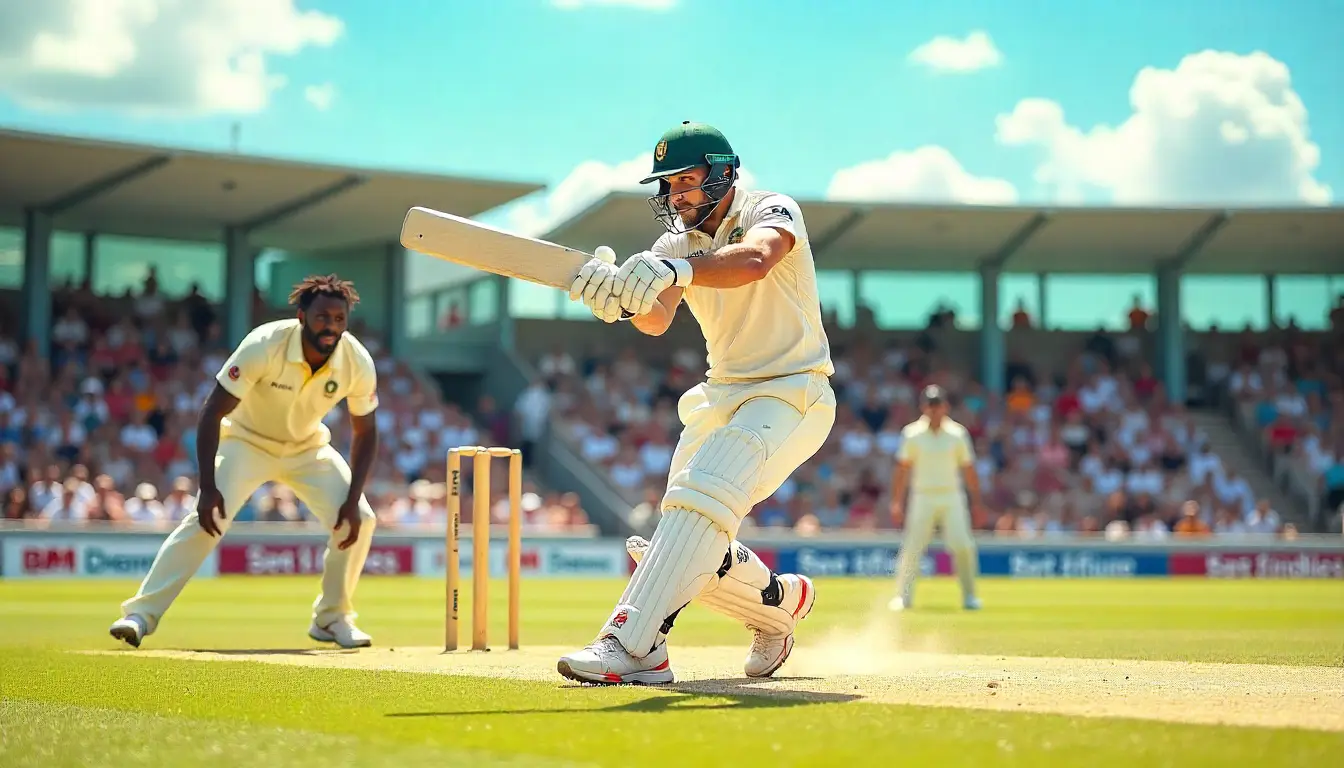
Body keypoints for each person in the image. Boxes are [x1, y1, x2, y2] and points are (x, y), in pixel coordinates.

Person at [560, 121, 836, 684]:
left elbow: (756, 259)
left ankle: (633, 646)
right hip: (720, 395)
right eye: (669, 184)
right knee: (686, 533)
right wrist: (613, 299)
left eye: (687, 179)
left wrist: (676, 269)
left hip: (793, 389)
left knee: (698, 505)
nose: (677, 195)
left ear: (724, 171)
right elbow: (657, 318)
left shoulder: (771, 208)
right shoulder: (674, 245)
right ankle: (777, 604)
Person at [108, 275, 381, 649]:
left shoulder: (356, 360)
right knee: (208, 520)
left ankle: (332, 618)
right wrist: (207, 487)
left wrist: (351, 500)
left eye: (338, 319)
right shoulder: (265, 343)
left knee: (361, 519)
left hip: (307, 448)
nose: (330, 326)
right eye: (321, 317)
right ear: (302, 316)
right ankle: (140, 615)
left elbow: (366, 433)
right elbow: (211, 412)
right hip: (247, 443)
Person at [888, 385, 985, 611]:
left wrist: (977, 503)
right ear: (923, 407)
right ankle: (903, 597)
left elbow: (968, 469)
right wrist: (896, 502)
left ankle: (970, 596)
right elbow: (902, 469)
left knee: (962, 545)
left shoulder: (957, 433)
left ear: (945, 406)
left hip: (952, 495)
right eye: (930, 406)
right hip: (922, 495)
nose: (934, 410)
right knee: (912, 546)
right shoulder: (912, 433)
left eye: (938, 405)